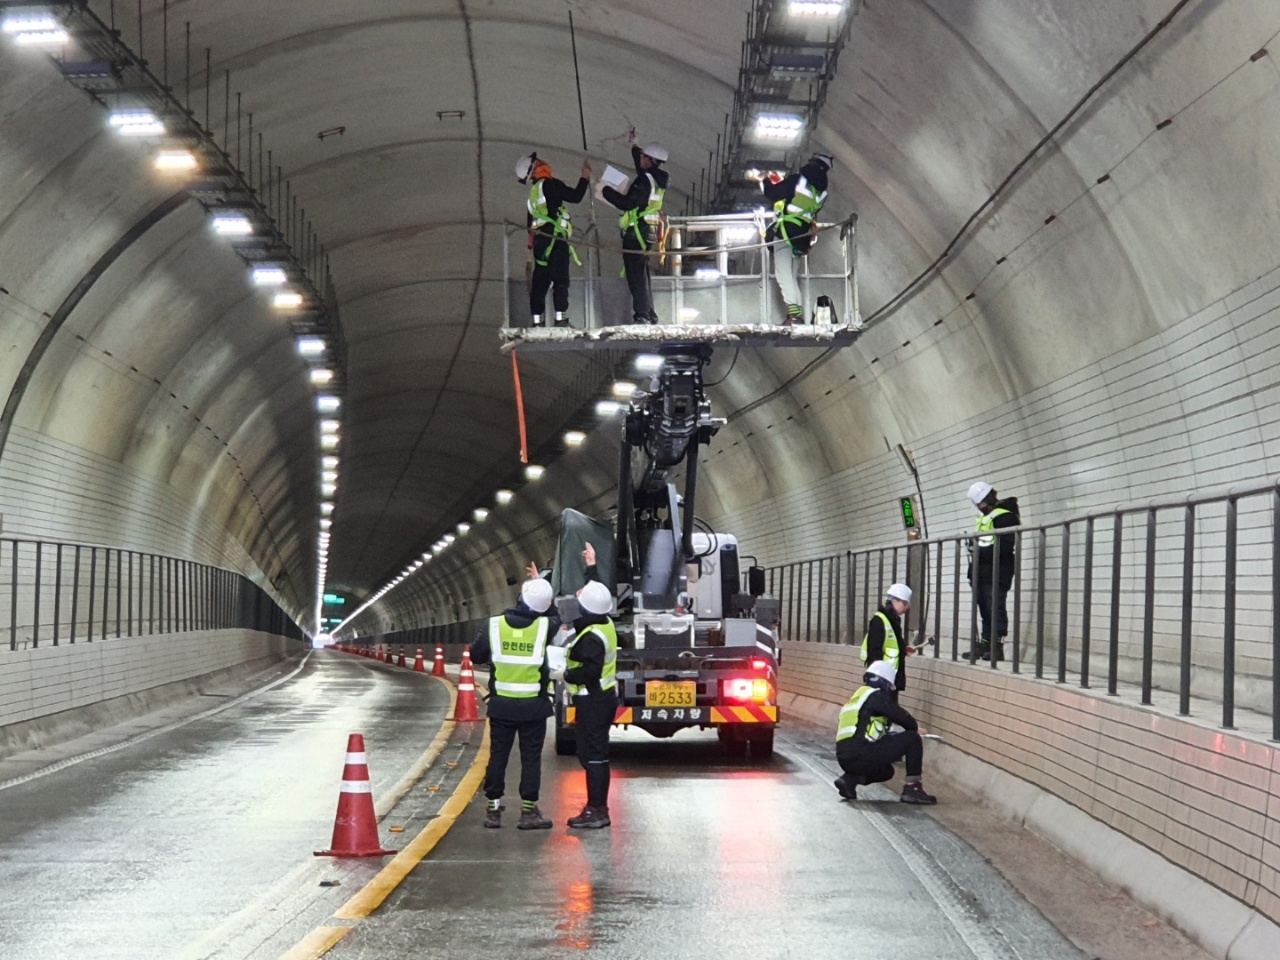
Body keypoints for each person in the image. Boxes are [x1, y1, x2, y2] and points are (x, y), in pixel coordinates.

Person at [470, 575, 560, 829]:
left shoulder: (494, 625)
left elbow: (475, 654)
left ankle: (493, 810)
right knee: (531, 758)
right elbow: (556, 614)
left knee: (498, 755)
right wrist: (542, 587)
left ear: (520, 596)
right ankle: (529, 812)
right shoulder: (545, 626)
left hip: (502, 706)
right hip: (534, 707)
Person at [551, 542, 617, 828]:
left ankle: (597, 810)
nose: (577, 599)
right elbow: (596, 596)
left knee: (594, 755)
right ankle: (596, 807)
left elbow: (589, 672)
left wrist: (564, 675)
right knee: (591, 753)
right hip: (599, 700)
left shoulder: (591, 638)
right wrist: (591, 567)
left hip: (594, 700)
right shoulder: (602, 624)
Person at [834, 661, 936, 804]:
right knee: (912, 738)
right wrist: (915, 728)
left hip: (845, 757)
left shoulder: (857, 698)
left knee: (886, 771)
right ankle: (913, 789)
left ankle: (849, 780)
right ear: (883, 683)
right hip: (861, 752)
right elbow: (905, 719)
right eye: (889, 686)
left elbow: (868, 731)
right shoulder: (875, 696)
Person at [517, 152, 591, 328]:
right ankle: (561, 319)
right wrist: (585, 178)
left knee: (540, 281)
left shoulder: (533, 196)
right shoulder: (550, 185)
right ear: (534, 168)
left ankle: (537, 321)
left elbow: (530, 226)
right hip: (556, 240)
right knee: (560, 280)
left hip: (541, 244)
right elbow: (575, 196)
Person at [600, 135, 669, 325]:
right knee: (642, 272)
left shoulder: (644, 182)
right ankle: (649, 312)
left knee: (636, 276)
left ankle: (642, 315)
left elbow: (627, 203)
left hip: (637, 233)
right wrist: (635, 146)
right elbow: (642, 171)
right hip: (648, 231)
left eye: (643, 157)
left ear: (649, 160)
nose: (641, 160)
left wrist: (605, 190)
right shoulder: (656, 180)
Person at [762, 152, 832, 325]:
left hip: (785, 232)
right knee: (791, 276)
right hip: (803, 236)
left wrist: (765, 180)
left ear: (812, 162)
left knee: (783, 274)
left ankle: (794, 316)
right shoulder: (821, 192)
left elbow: (773, 194)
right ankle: (797, 316)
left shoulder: (797, 180)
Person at [966, 481, 1021, 662]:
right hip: (982, 571)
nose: (978, 507)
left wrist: (978, 550)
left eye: (978, 504)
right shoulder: (986, 518)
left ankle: (996, 647)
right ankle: (985, 644)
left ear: (984, 501)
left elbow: (1004, 546)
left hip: (997, 571)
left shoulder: (1005, 517)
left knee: (995, 607)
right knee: (984, 609)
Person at [861, 583, 911, 692]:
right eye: (905, 603)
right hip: (882, 679)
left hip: (889, 678)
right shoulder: (879, 621)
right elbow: (874, 650)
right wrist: (877, 677)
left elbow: (893, 645)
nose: (907, 607)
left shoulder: (893, 620)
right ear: (894, 601)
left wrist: (904, 648)